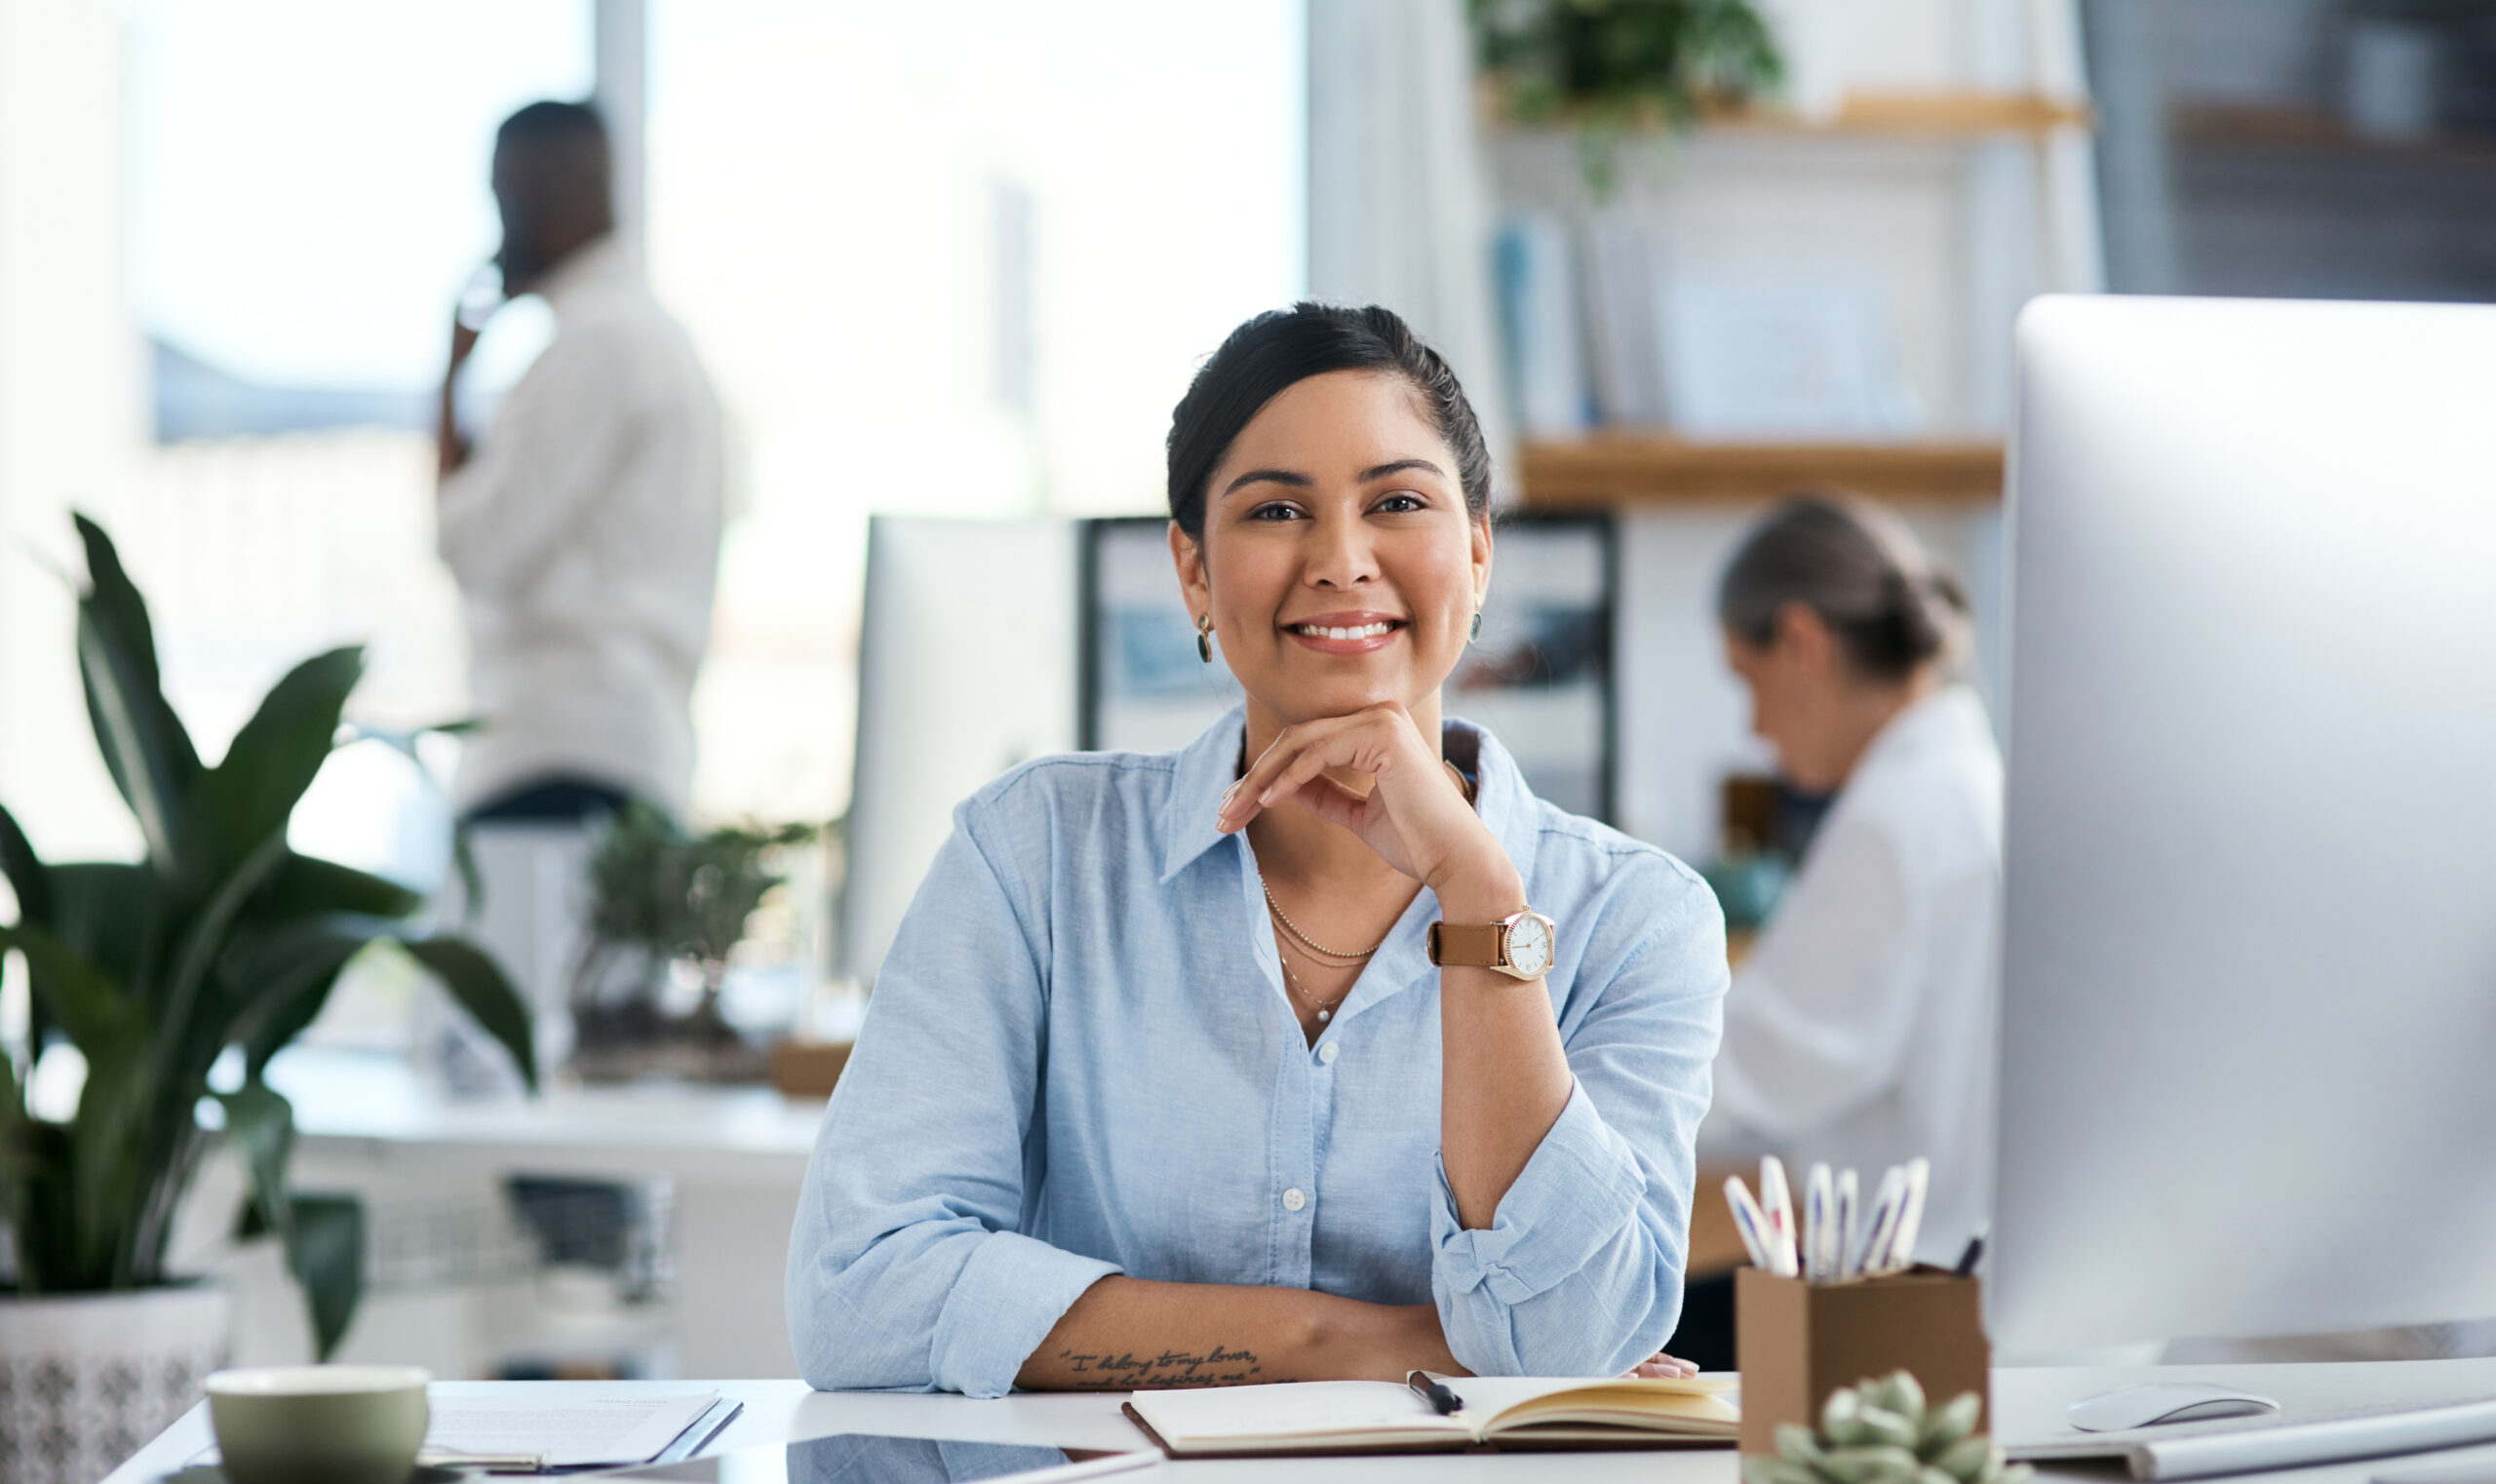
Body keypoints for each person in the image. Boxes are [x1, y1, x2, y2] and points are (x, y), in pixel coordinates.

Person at [786, 303, 1728, 1395]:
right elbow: (860, 1293)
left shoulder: (1637, 918)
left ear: (1476, 551)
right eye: (1276, 509)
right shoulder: (1036, 855)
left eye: (1398, 503)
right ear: (1192, 570)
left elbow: (1575, 1345)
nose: (1339, 560)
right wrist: (1360, 1342)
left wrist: (1478, 899)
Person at [1676, 496, 2001, 1364]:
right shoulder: (1962, 784)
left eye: (1747, 680)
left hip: (1908, 1306)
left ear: (1802, 644)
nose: (1753, 726)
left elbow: (1748, 1074)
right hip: (1964, 1273)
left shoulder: (1898, 820)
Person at [436, 99, 723, 826]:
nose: (501, 222)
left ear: (555, 184)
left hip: (556, 756)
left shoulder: (593, 347)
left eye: (507, 193)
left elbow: (471, 547)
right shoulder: (656, 338)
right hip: (627, 752)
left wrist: (449, 379)